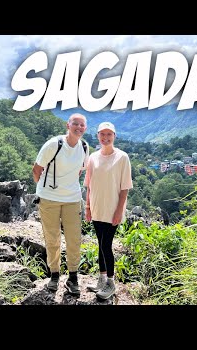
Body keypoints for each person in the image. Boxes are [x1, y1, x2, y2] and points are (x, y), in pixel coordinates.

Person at [32, 113, 89, 295]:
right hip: (49, 198)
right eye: (75, 124)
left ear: (85, 128)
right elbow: (37, 169)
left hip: (72, 199)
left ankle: (73, 277)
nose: (78, 127)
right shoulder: (54, 144)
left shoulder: (84, 147)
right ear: (68, 125)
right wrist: (44, 189)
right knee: (52, 237)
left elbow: (79, 170)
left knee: (74, 239)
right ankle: (54, 275)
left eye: (82, 125)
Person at [84, 121, 133, 300]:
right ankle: (101, 279)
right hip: (97, 207)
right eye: (102, 134)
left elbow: (125, 188)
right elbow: (89, 185)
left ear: (114, 136)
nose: (105, 138)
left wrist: (119, 211)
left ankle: (111, 284)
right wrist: (87, 207)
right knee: (100, 244)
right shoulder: (93, 158)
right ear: (97, 136)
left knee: (106, 245)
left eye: (109, 134)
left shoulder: (122, 157)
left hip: (112, 209)